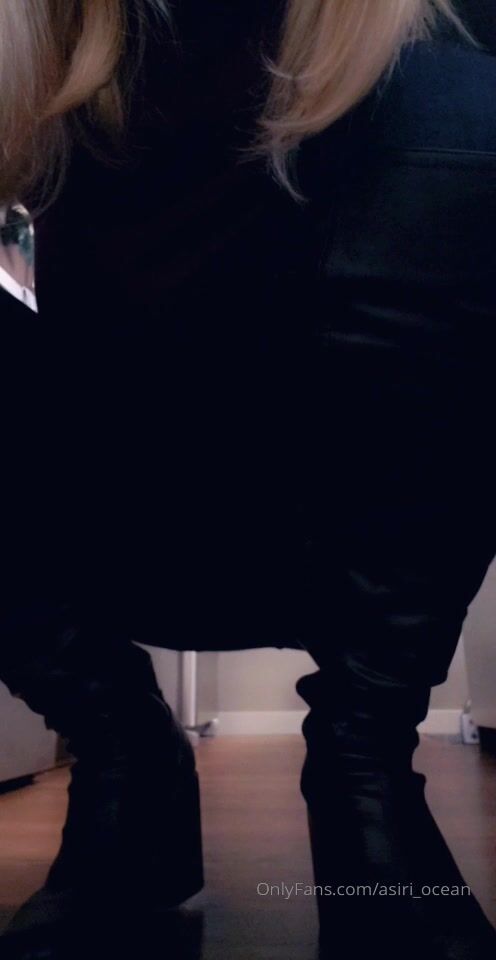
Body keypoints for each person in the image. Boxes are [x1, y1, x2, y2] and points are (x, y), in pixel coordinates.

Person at [0, 0, 495, 957]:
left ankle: (363, 778)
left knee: (464, 106)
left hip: (363, 524)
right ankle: (124, 758)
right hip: (107, 501)